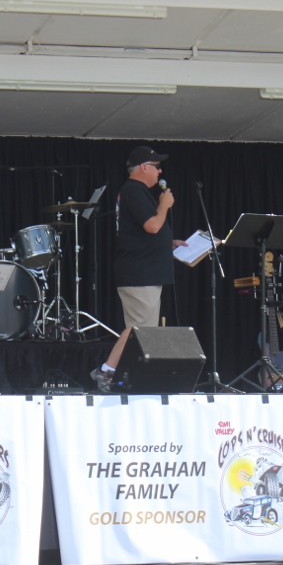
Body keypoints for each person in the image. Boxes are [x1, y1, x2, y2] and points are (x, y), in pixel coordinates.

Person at [90, 146, 187, 392]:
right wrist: (164, 204)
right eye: (156, 166)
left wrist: (169, 243)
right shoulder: (134, 190)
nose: (160, 171)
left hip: (145, 272)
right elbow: (153, 226)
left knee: (142, 329)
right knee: (138, 328)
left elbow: (143, 231)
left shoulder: (136, 192)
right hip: (140, 274)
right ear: (144, 167)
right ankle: (107, 372)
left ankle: (127, 375)